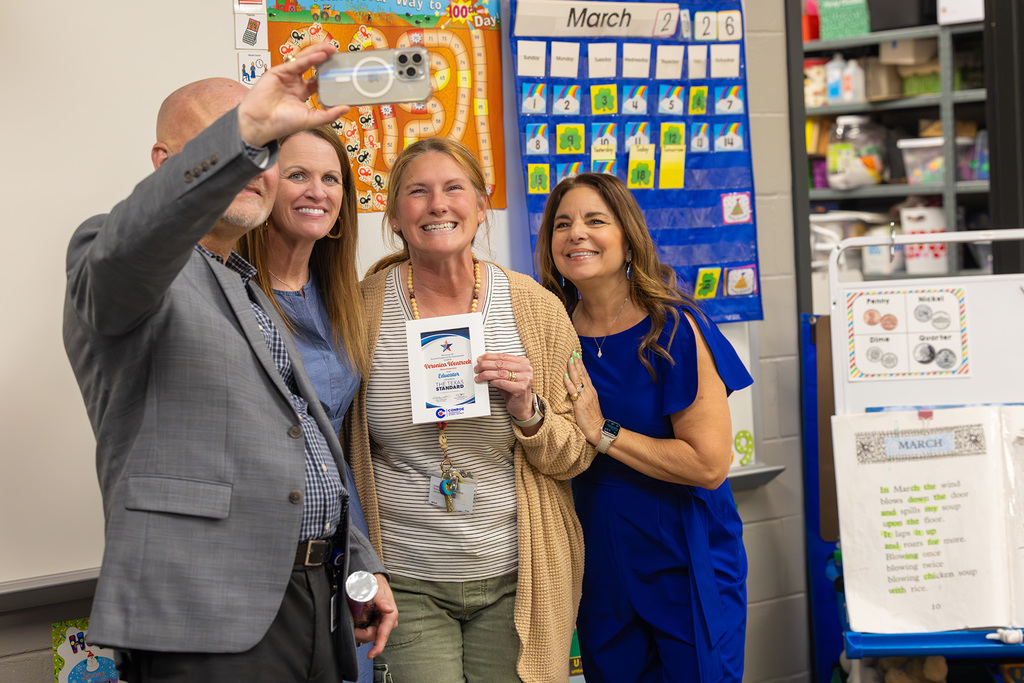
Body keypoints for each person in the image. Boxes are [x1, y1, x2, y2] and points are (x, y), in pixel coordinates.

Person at [62, 44, 396, 682]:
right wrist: (241, 134)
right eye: (233, 142)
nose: (255, 165)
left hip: (317, 603)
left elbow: (307, 452)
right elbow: (131, 246)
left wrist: (359, 565)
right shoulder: (117, 260)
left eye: (267, 151)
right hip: (206, 613)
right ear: (167, 164)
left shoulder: (248, 285)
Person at [343, 138, 593, 683]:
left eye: (454, 188)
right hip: (405, 578)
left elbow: (576, 452)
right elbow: (334, 452)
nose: (438, 204)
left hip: (519, 577)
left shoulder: (536, 308)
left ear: (482, 206)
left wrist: (529, 411)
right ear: (393, 215)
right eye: (418, 192)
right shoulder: (357, 309)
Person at [536, 173, 754, 682]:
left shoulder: (674, 327)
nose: (576, 234)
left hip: (683, 555)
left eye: (595, 220)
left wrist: (603, 431)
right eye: (562, 224)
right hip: (599, 564)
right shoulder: (553, 328)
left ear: (628, 238)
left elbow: (708, 464)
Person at [236, 124, 374, 683]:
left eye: (330, 178)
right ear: (264, 186)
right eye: (297, 175)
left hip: (340, 543)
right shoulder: (228, 290)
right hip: (255, 555)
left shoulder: (345, 298)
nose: (316, 190)